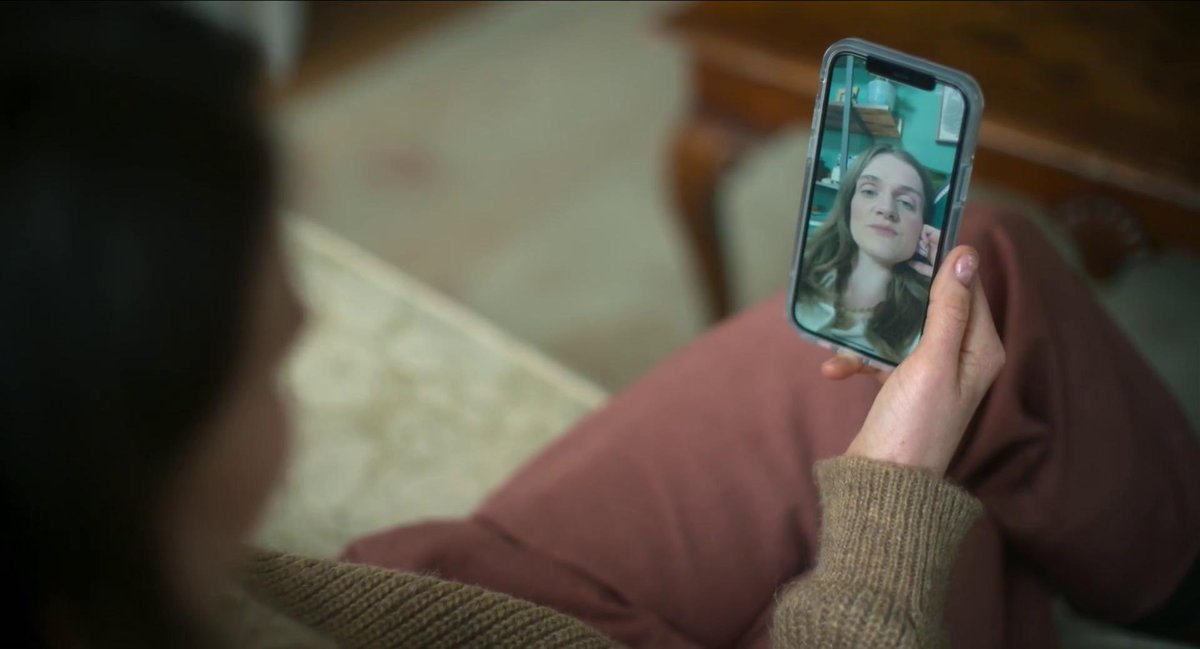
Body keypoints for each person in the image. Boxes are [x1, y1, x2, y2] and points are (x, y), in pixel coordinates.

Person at [2, 4, 1197, 648]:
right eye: (263, 355)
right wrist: (892, 510)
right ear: (123, 477)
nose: (313, 315)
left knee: (982, 269)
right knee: (971, 463)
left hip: (469, 594)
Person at [794, 144, 941, 363]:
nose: (887, 209)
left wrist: (944, 281)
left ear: (923, 228)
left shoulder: (930, 324)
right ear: (848, 204)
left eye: (906, 203)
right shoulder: (801, 271)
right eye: (869, 191)